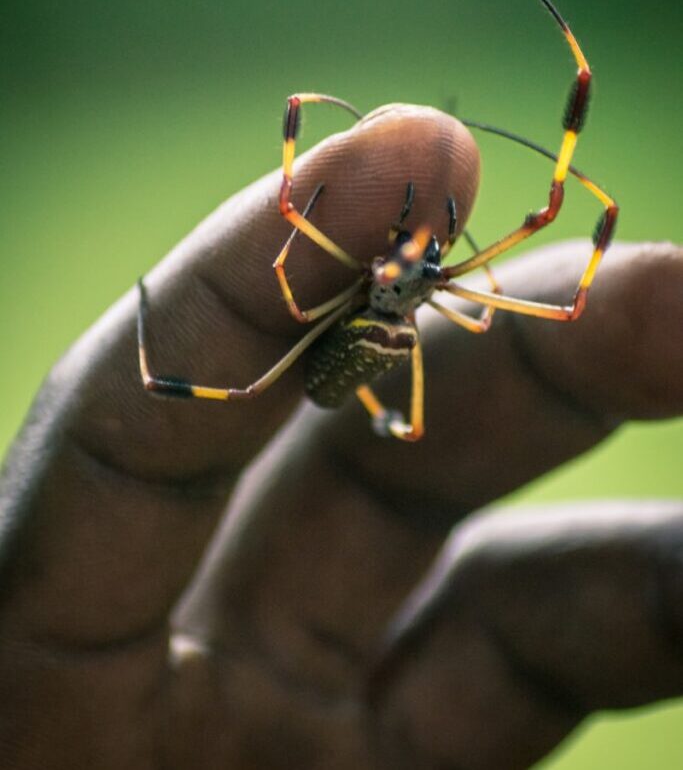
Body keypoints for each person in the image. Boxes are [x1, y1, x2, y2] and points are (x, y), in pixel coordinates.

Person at [1, 106, 681, 769]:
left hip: (366, 344)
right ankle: (173, 371)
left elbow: (290, 260)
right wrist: (565, 213)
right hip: (364, 345)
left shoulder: (409, 278)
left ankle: (162, 366)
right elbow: (316, 278)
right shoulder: (430, 283)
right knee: (335, 382)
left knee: (284, 383)